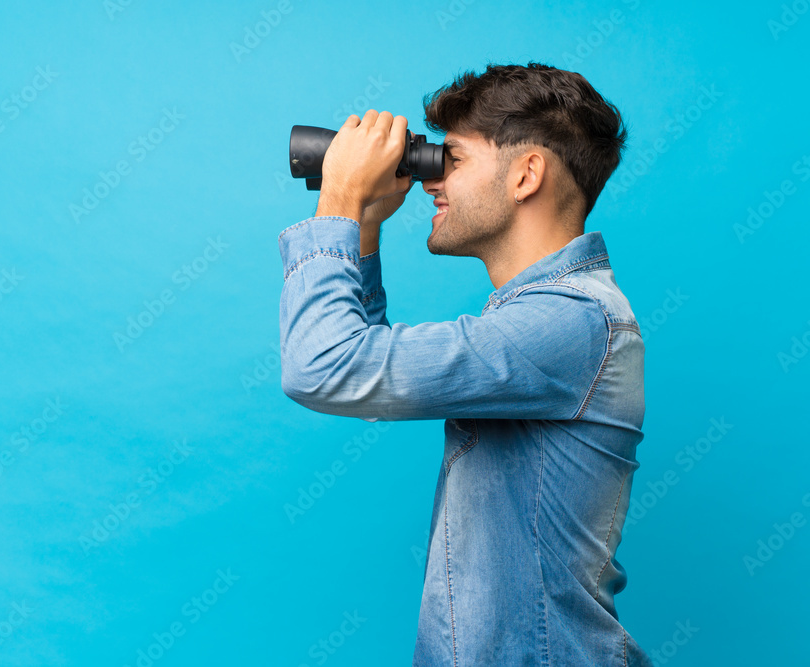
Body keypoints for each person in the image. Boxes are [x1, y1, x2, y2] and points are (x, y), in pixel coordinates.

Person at [277, 61, 652, 666]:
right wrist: (365, 226)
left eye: (451, 158)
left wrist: (341, 201)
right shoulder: (544, 320)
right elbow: (370, 383)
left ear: (527, 174)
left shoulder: (571, 322)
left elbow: (323, 367)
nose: (430, 181)